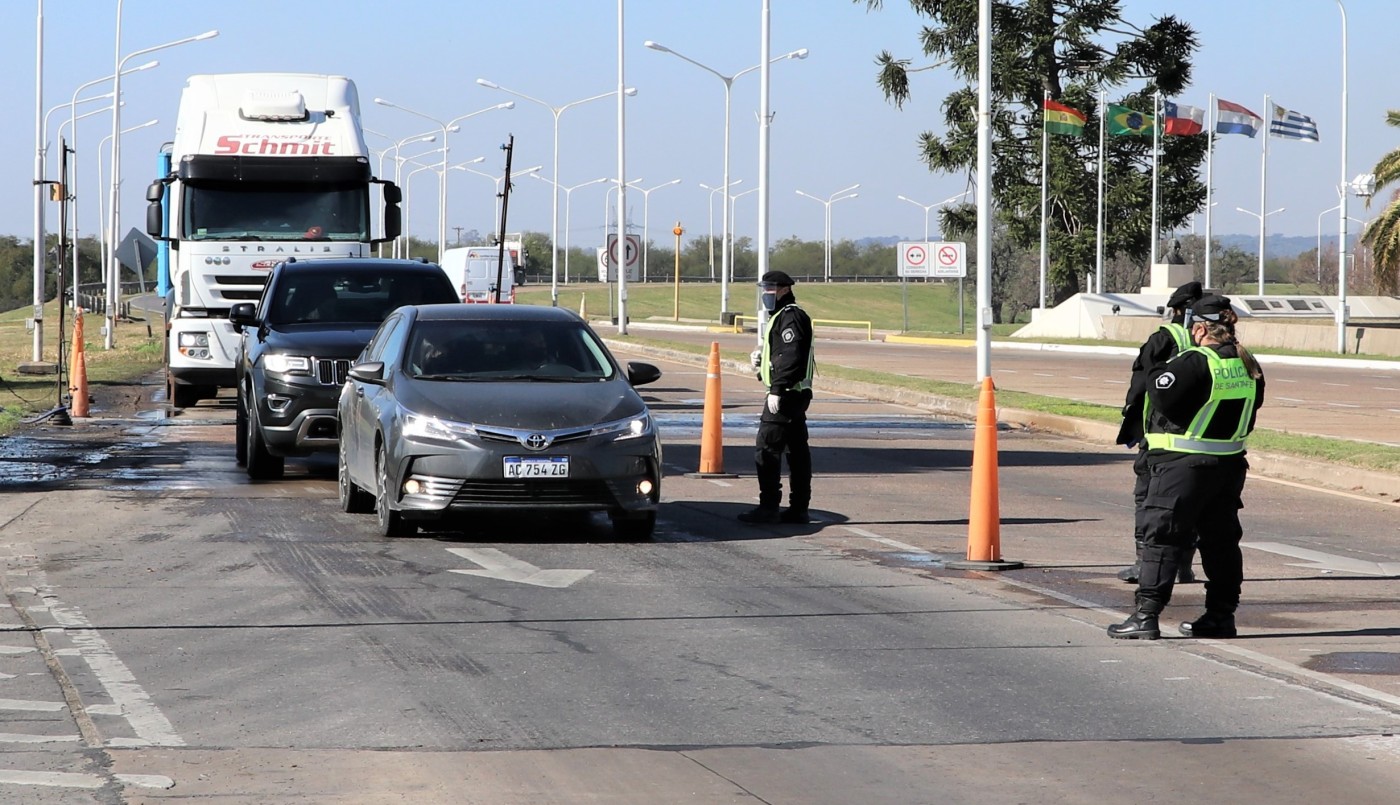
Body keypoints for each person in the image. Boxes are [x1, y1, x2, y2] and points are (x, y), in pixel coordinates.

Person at [1108, 295, 1266, 640]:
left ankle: (1146, 615)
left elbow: (1161, 396)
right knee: (1221, 543)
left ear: (1198, 328)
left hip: (1182, 468)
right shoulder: (1248, 363)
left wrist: (1158, 368)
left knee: (1162, 539)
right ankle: (1220, 617)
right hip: (1227, 466)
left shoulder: (1195, 361)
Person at [1115, 280, 1204, 585]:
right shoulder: (1208, 342)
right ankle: (1183, 566)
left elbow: (1141, 385)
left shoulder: (1165, 338)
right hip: (1201, 434)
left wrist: (1130, 416)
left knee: (1148, 498)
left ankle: (1144, 564)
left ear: (1175, 310)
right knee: (1191, 502)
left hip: (1161, 435)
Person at [739, 270, 816, 524]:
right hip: (794, 394)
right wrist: (762, 362)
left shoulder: (790, 316)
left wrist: (777, 389)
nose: (765, 294)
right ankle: (798, 508)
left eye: (770, 290)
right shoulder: (782, 316)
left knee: (768, 450)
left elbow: (791, 357)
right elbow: (781, 355)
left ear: (783, 289)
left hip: (786, 396)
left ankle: (769, 506)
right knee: (797, 451)